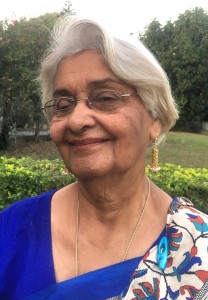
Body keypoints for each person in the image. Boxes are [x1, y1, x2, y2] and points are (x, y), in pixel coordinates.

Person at [0, 15, 208, 300]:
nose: (77, 119)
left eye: (106, 98)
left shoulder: (198, 245)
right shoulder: (11, 232)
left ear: (155, 118)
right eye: (63, 105)